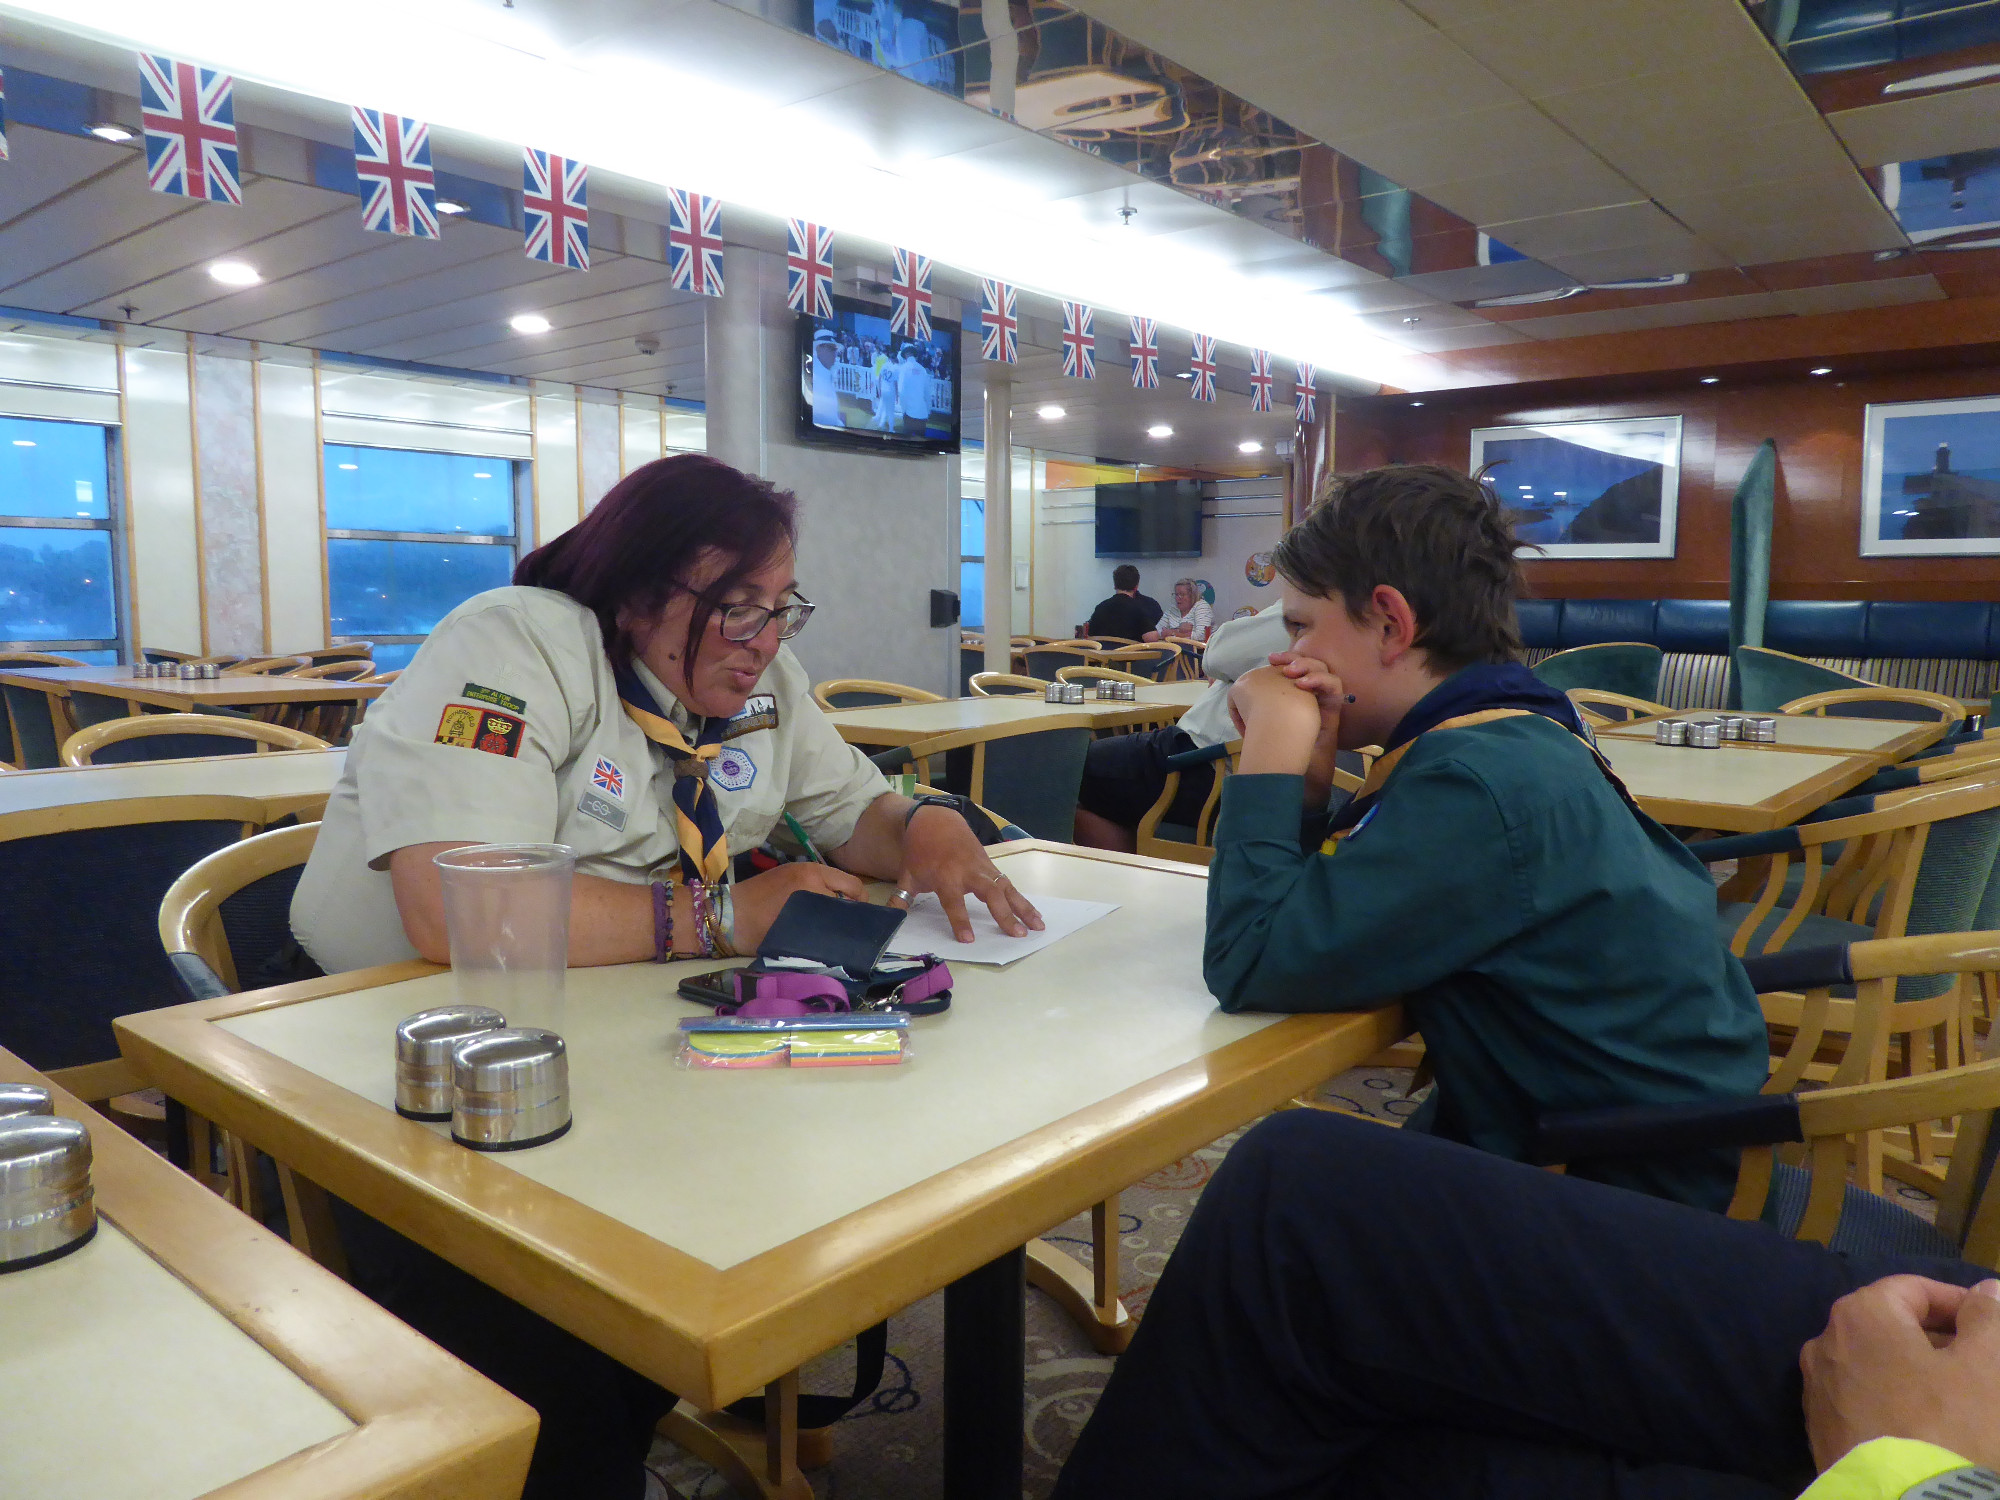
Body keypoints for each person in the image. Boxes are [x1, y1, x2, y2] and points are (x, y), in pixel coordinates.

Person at [290, 454, 1043, 1499]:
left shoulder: (760, 682)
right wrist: (725, 915)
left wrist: (924, 823)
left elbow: (852, 814)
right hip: (399, 1055)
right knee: (558, 1361)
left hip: (614, 1034)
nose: (765, 640)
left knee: (756, 1216)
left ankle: (643, 1399)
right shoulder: (515, 643)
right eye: (737, 606)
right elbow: (463, 911)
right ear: (638, 589)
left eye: (781, 608)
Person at [1207, 464, 1767, 1209]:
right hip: (1627, 1119)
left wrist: (1273, 740)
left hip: (1623, 1182)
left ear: (1390, 623)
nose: (1287, 656)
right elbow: (1335, 916)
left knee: (1270, 1176)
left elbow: (1249, 963)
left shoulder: (1471, 778)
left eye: (1301, 625)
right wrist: (1310, 795)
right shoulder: (1515, 725)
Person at [1052, 1109, 2000, 1500]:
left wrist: (1918, 1473)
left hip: (1941, 1465)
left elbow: (1259, 958)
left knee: (1294, 1205)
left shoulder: (1470, 779)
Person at [1073, 600, 1286, 852]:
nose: (1179, 597)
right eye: (1177, 593)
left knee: (1070, 770)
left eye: (1184, 593)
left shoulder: (1305, 607)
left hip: (1212, 766)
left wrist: (1223, 669)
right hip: (1273, 790)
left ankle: (1131, 868)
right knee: (1105, 785)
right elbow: (1160, 635)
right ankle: (1143, 860)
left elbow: (1216, 653)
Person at [1086, 564, 1164, 641]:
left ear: (1115, 585)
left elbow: (1091, 637)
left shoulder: (1100, 607)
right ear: (1136, 587)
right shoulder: (1139, 608)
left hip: (1105, 649)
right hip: (1132, 649)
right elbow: (1151, 638)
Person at [1146, 577, 1213, 642]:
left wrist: (1173, 633)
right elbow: (1157, 632)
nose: (1177, 598)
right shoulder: (1172, 610)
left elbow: (1202, 635)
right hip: (1173, 647)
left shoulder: (1201, 606)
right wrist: (1179, 630)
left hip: (1197, 649)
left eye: (1182, 594)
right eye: (1176, 594)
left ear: (1192, 596)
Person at [809, 328, 842, 430]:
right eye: (832, 349)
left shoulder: (826, 373)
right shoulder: (813, 376)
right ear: (819, 349)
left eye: (836, 350)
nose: (835, 353)